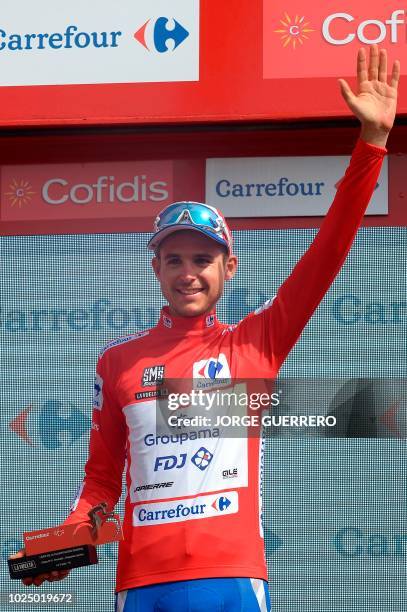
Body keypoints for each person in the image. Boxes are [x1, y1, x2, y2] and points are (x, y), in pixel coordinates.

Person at [11, 45, 400, 611]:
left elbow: (328, 251)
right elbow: (99, 487)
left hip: (232, 581)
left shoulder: (255, 342)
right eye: (174, 260)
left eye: (202, 259)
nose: (188, 273)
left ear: (228, 268)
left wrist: (371, 145)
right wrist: (65, 547)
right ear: (157, 269)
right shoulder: (117, 362)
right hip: (142, 587)